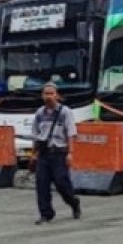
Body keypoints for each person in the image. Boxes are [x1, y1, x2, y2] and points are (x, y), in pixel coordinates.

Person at [31, 82, 81, 225]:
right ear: (42, 96)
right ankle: (46, 214)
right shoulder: (40, 113)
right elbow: (36, 135)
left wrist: (70, 153)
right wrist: (33, 154)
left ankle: (73, 202)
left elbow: (71, 134)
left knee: (61, 183)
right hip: (44, 154)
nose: (48, 97)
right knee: (42, 184)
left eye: (51, 94)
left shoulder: (65, 112)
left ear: (57, 95)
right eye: (46, 94)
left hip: (59, 154)